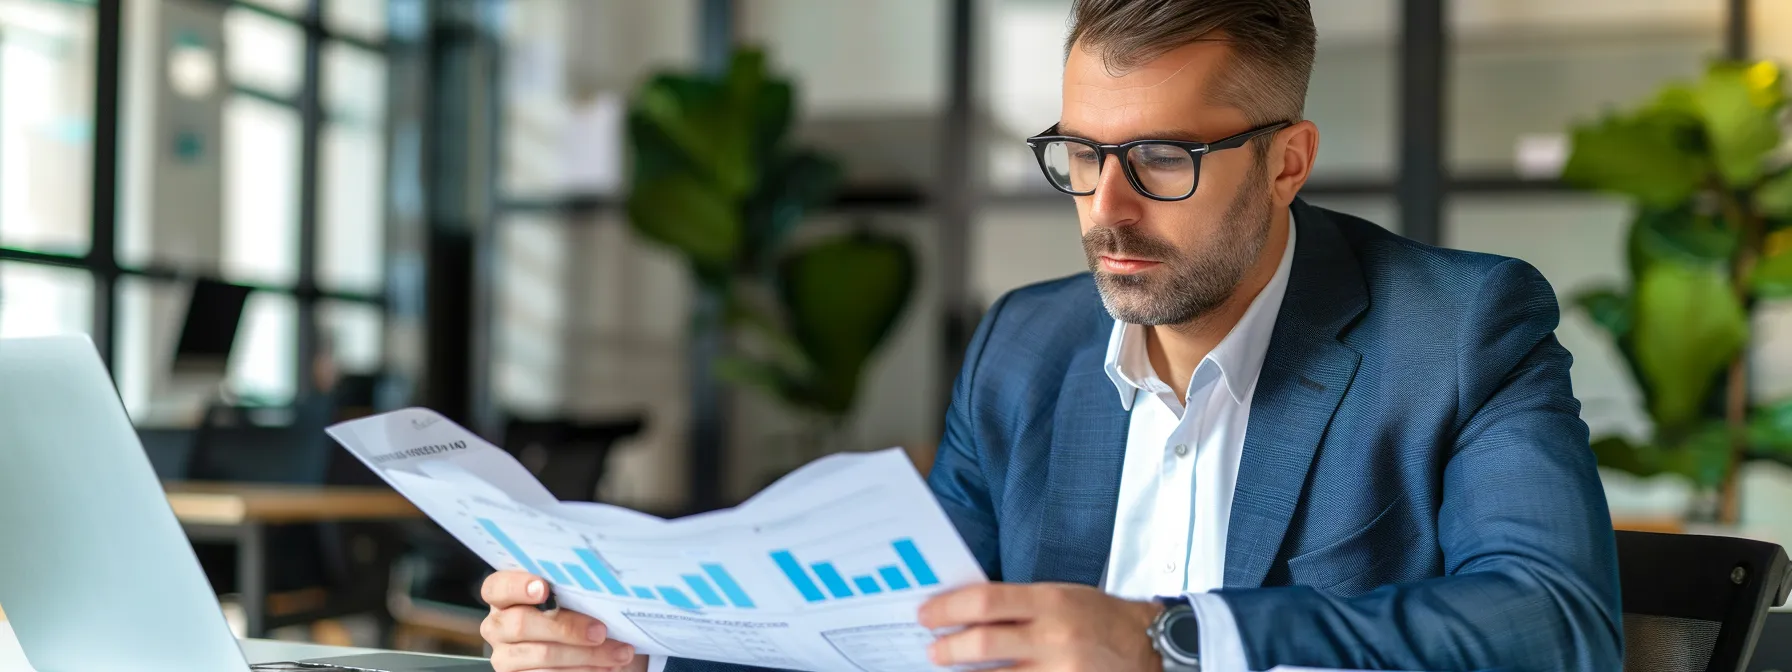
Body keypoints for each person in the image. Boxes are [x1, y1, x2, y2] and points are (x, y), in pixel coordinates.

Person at [478, 0, 1624, 670]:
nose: (1105, 211)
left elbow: (1558, 622)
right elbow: (890, 626)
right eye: (1080, 153)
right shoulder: (1025, 347)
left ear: (1287, 162)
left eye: (1161, 158)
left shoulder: (1460, 328)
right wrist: (636, 647)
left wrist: (1165, 642)